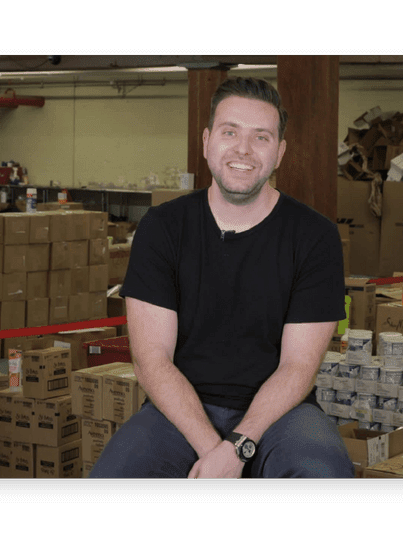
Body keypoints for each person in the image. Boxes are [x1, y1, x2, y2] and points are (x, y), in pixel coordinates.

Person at [89, 77, 354, 479]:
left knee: (322, 472)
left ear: (279, 153)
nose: (243, 149)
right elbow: (151, 360)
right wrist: (215, 452)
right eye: (230, 132)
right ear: (207, 141)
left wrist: (238, 446)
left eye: (261, 137)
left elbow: (298, 366)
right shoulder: (163, 228)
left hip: (281, 414)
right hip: (179, 409)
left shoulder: (315, 236)